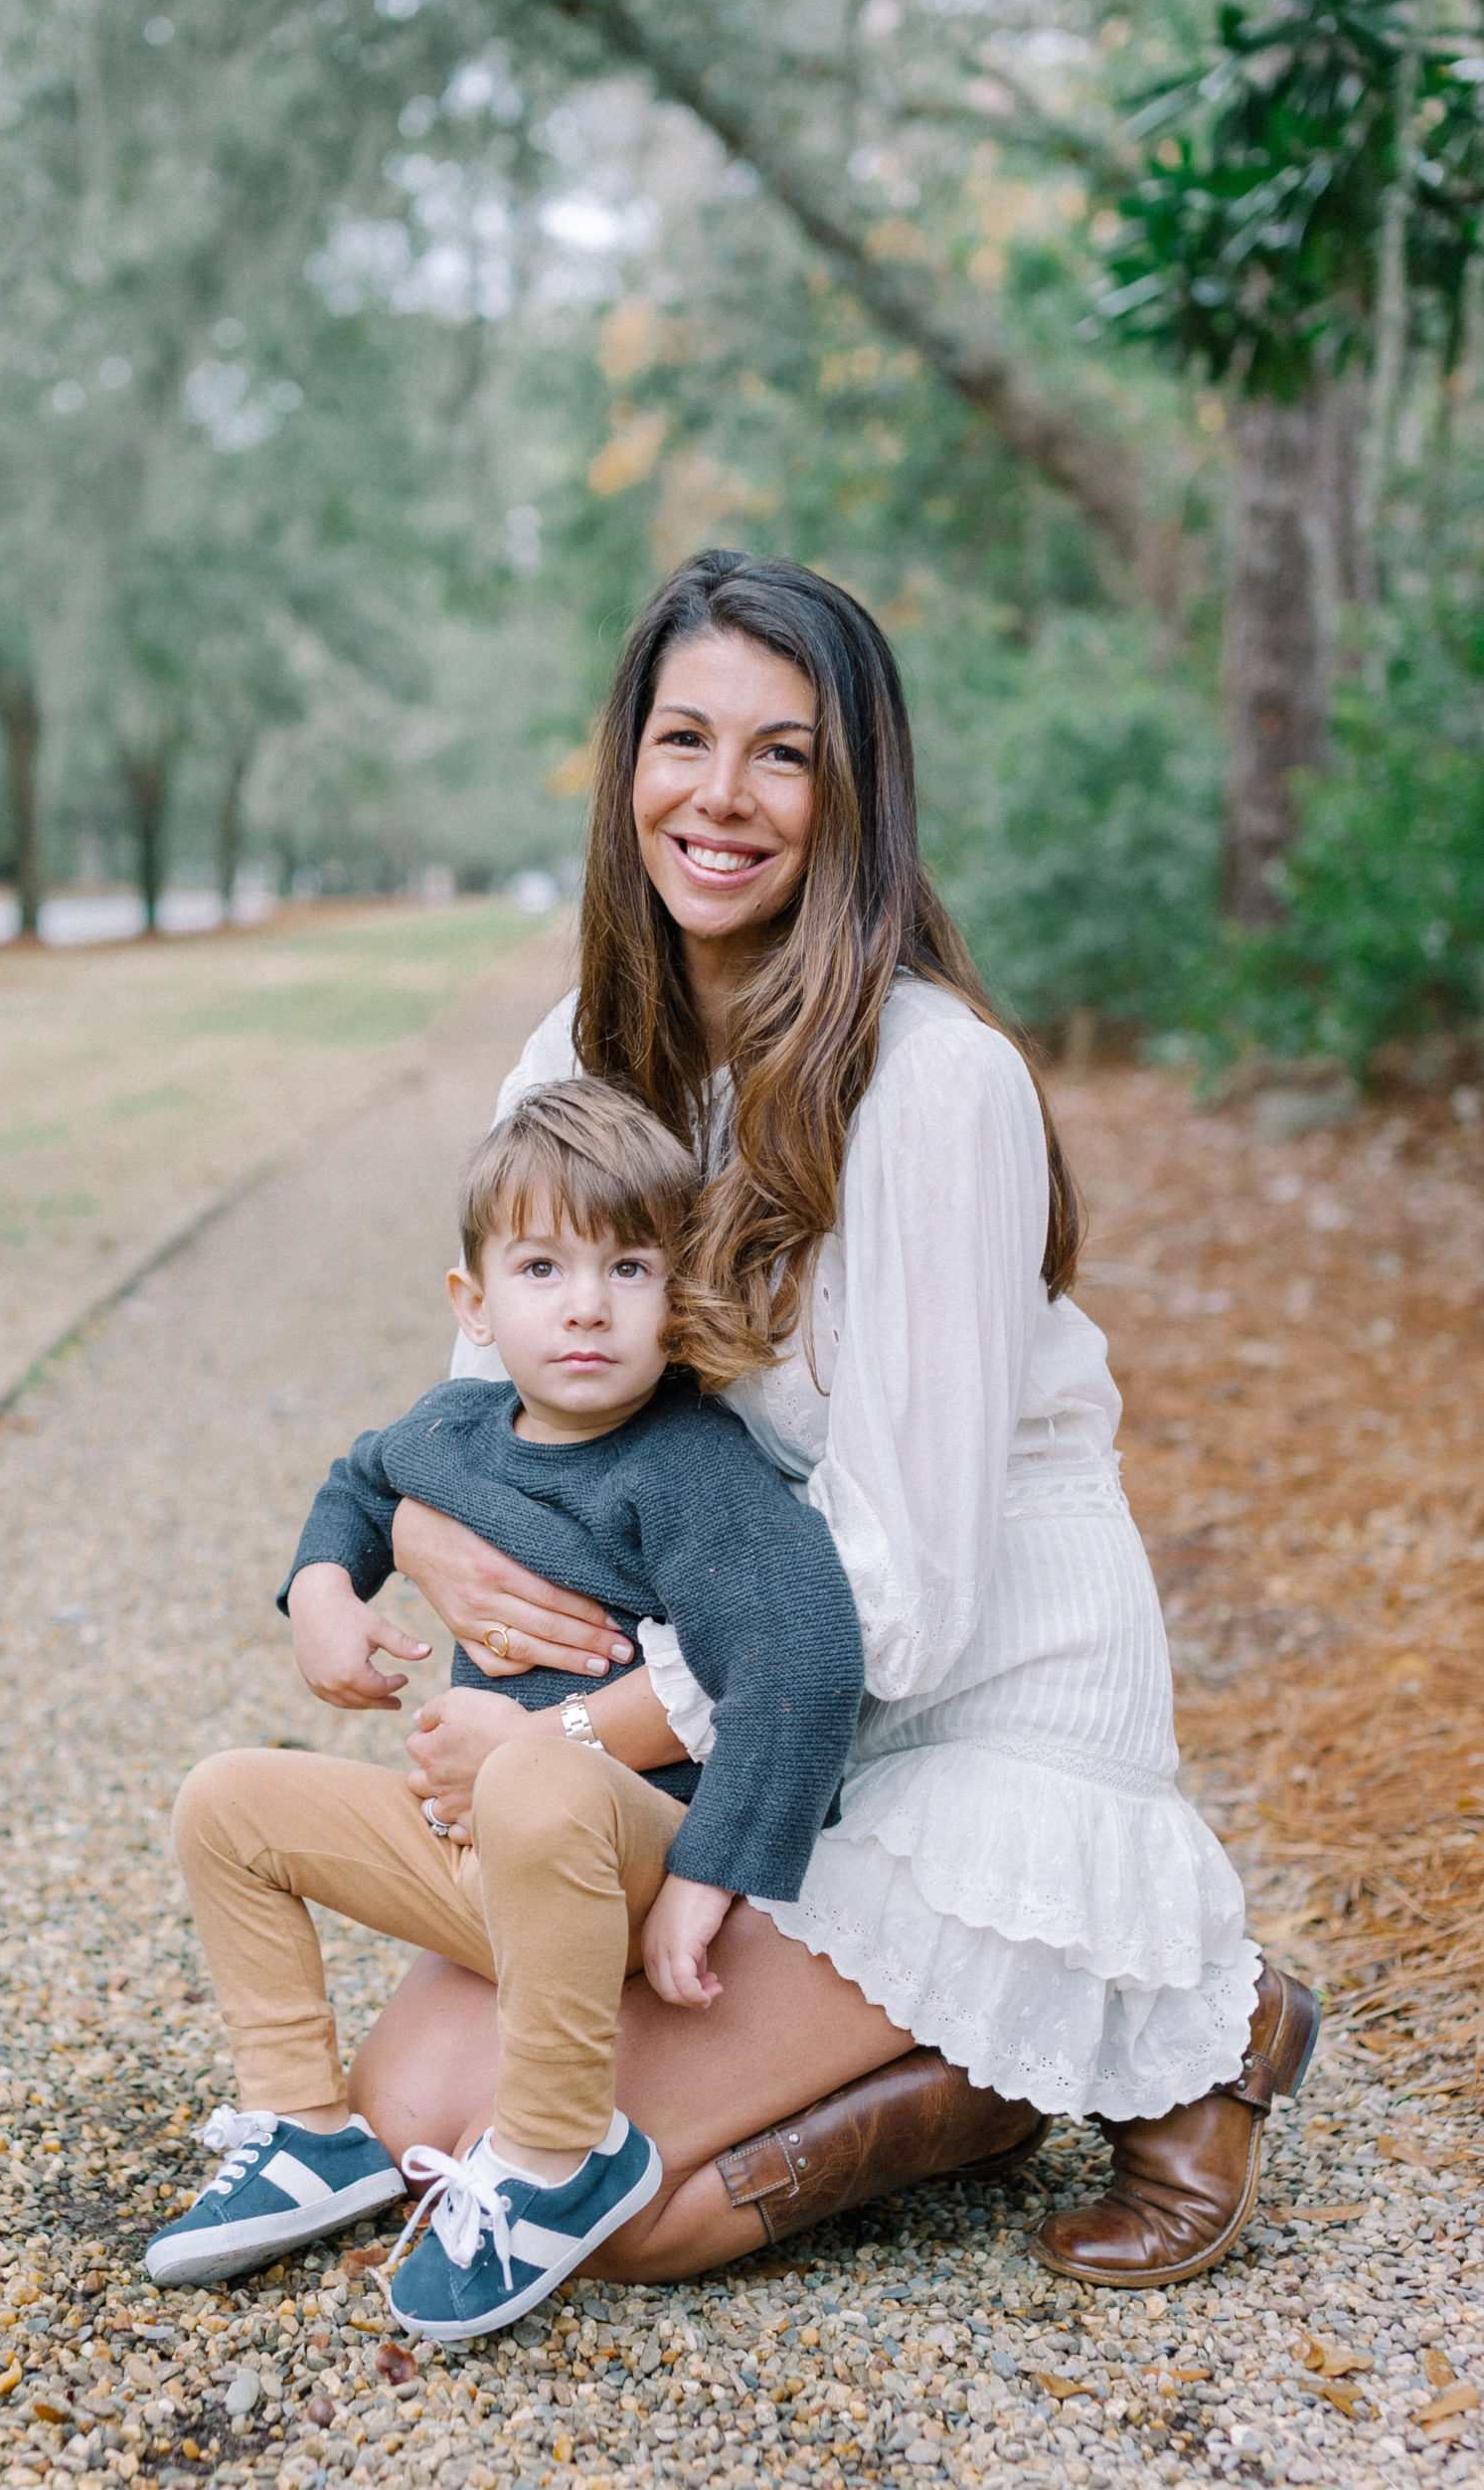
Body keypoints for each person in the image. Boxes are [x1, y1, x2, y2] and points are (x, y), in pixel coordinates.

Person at [347, 549, 1319, 2290]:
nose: (721, 799)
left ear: (855, 795)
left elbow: (914, 1597)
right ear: (625, 762)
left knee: (610, 2208)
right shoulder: (582, 1047)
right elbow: (493, 1391)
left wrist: (578, 1745)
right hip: (748, 1731)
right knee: (416, 2111)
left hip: (970, 1714)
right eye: (684, 740)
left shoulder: (939, 1084)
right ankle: (990, 2025)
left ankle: (1110, 2023)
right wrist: (417, 1526)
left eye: (784, 755)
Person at [148, 1079, 865, 2336]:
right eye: (541, 1266)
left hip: (622, 1866)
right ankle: (311, 2132)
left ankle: (556, 2152)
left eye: (629, 1267)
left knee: (531, 1771)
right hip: (477, 1859)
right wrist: (324, 1587)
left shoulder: (690, 1464)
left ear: (679, 1291)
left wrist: (710, 1870)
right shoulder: (456, 1428)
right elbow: (361, 1482)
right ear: (474, 1305)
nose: (585, 1304)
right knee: (228, 1803)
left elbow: (805, 1653)